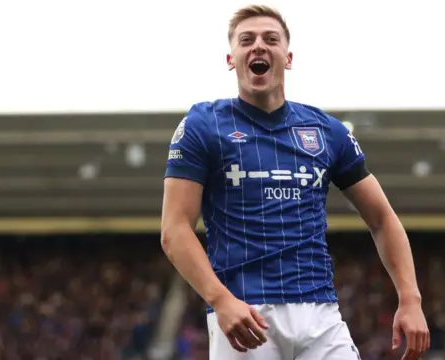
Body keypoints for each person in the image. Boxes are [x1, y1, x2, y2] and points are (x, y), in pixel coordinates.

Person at [160, 5, 429, 360]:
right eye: (247, 40)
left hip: (320, 314)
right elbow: (174, 229)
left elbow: (382, 218)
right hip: (245, 315)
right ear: (231, 58)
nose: (258, 46)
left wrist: (410, 298)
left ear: (287, 57)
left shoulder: (326, 131)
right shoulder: (202, 125)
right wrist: (221, 300)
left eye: (270, 39)